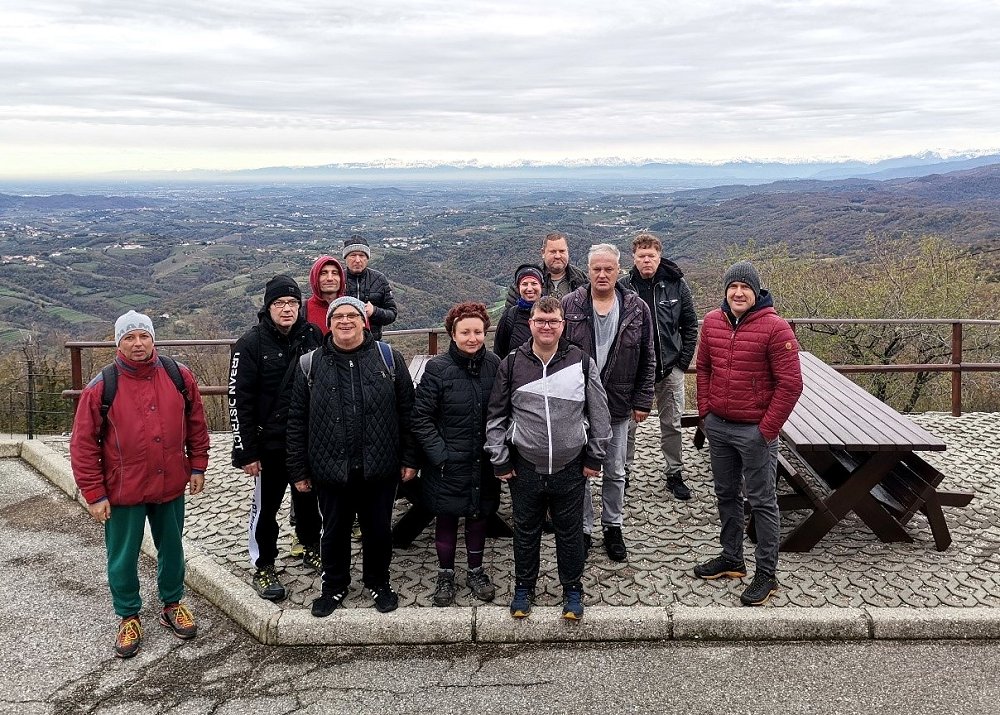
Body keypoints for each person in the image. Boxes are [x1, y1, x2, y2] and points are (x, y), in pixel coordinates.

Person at [70, 310, 210, 658]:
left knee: (173, 548)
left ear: (153, 338)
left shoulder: (179, 376)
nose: (137, 343)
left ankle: (172, 604)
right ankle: (128, 615)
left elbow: (196, 423)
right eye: (129, 337)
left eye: (143, 336)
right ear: (118, 342)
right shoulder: (102, 386)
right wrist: (95, 493)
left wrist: (198, 466)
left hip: (170, 482)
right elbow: (83, 444)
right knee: (122, 556)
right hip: (123, 490)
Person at [287, 296, 419, 617]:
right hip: (330, 467)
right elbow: (296, 421)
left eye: (352, 315)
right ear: (328, 324)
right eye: (338, 316)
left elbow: (409, 413)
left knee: (378, 530)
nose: (345, 321)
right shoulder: (309, 364)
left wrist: (411, 459)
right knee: (334, 531)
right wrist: (298, 470)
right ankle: (334, 586)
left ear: (364, 321)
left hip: (381, 465)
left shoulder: (389, 359)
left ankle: (378, 581)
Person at [486, 296, 611, 621]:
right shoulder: (512, 363)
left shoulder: (581, 361)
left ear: (562, 324)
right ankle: (523, 589)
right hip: (524, 467)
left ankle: (572, 590)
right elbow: (496, 416)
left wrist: (595, 457)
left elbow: (599, 414)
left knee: (570, 535)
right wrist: (500, 459)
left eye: (553, 321)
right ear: (531, 324)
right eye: (541, 321)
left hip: (571, 468)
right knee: (525, 533)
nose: (546, 326)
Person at [694, 261, 803, 606]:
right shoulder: (712, 322)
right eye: (733, 287)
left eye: (745, 287)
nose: (738, 293)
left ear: (756, 292)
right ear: (725, 290)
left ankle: (767, 575)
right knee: (726, 495)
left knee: (762, 502)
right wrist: (705, 413)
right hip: (720, 427)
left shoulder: (776, 328)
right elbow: (704, 368)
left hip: (755, 431)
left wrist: (766, 431)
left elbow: (791, 385)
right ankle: (732, 559)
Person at [229, 275, 324, 601]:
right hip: (267, 445)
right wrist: (245, 451)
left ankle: (310, 546)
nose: (287, 309)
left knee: (309, 500)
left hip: (306, 440)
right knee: (265, 508)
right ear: (267, 307)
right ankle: (264, 564)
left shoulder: (312, 335)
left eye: (293, 303)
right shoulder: (249, 344)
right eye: (280, 303)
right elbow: (237, 399)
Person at [562, 244, 654, 562]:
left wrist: (643, 400)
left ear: (619, 271)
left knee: (615, 471)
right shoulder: (569, 304)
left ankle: (613, 526)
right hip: (579, 405)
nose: (602, 274)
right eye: (596, 269)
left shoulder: (636, 308)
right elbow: (558, 355)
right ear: (588, 271)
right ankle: (584, 528)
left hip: (618, 404)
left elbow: (648, 357)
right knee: (581, 472)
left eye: (609, 269)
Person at [411, 302, 502, 606]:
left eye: (478, 331)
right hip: (447, 464)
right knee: (446, 518)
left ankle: (476, 571)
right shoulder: (438, 368)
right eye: (465, 332)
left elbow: (503, 412)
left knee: (478, 517)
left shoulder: (495, 364)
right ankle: (445, 574)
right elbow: (421, 416)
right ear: (452, 333)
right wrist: (440, 456)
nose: (472, 338)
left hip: (484, 461)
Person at [619, 232, 699, 500]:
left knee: (672, 424)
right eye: (641, 256)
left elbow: (689, 325)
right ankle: (624, 473)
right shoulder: (624, 286)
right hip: (634, 372)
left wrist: (682, 363)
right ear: (634, 258)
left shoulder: (676, 284)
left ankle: (674, 473)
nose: (646, 261)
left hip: (669, 369)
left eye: (651, 256)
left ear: (659, 256)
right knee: (627, 426)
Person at [504, 232, 589, 308]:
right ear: (543, 253)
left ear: (568, 252)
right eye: (553, 252)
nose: (558, 256)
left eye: (562, 251)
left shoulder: (581, 279)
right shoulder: (527, 279)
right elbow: (510, 317)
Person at [342, 235, 398, 340]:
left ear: (367, 258)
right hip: (343, 343)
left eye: (362, 255)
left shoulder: (379, 279)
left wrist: (374, 312)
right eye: (353, 255)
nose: (357, 260)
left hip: (373, 342)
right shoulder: (338, 279)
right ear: (346, 258)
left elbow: (392, 314)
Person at [493, 264, 543, 359]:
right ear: (518, 288)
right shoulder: (510, 316)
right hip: (516, 372)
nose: (529, 288)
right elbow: (499, 352)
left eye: (534, 283)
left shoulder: (550, 314)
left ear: (541, 286)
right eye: (524, 284)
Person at [304, 255, 347, 333]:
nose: (330, 278)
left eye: (335, 273)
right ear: (315, 278)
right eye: (323, 273)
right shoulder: (302, 310)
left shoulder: (354, 308)